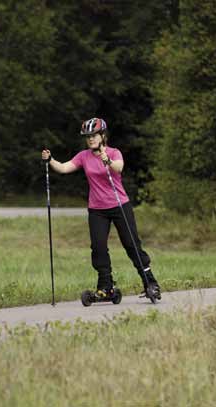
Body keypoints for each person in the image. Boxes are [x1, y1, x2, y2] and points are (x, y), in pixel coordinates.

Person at [41, 117, 161, 301]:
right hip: (97, 209)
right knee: (98, 248)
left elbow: (119, 168)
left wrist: (108, 161)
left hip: (120, 205)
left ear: (102, 136)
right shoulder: (84, 156)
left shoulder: (114, 152)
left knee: (131, 244)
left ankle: (150, 283)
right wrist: (50, 160)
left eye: (94, 135)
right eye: (87, 136)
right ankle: (106, 286)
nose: (90, 139)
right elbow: (64, 168)